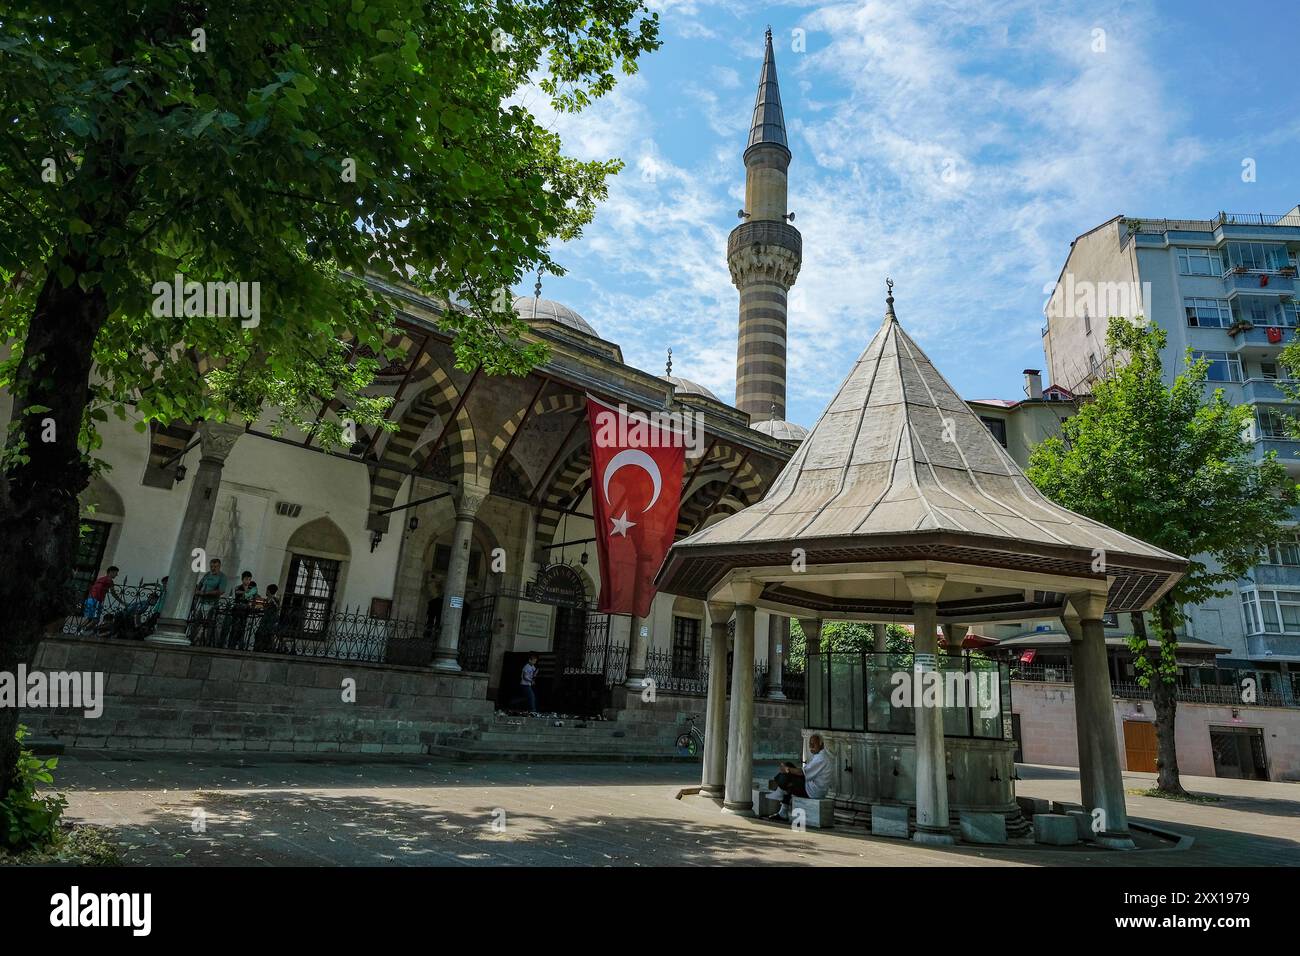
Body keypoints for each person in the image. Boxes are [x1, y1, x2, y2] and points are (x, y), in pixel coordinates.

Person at [766, 734, 832, 821]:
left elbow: (802, 772)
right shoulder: (819, 756)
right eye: (810, 743)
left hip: (813, 791)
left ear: (821, 744)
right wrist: (788, 769)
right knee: (789, 769)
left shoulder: (821, 758)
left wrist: (787, 769)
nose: (811, 746)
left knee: (787, 777)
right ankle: (781, 794)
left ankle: (780, 793)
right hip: (810, 786)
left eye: (814, 744)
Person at [192, 558, 228, 643]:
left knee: (208, 624)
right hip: (201, 602)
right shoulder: (207, 574)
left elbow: (221, 591)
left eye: (215, 566)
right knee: (196, 622)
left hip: (212, 604)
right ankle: (193, 639)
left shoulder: (222, 577)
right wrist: (197, 590)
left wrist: (206, 593)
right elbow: (200, 584)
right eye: (211, 566)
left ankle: (206, 642)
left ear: (219, 566)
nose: (213, 568)